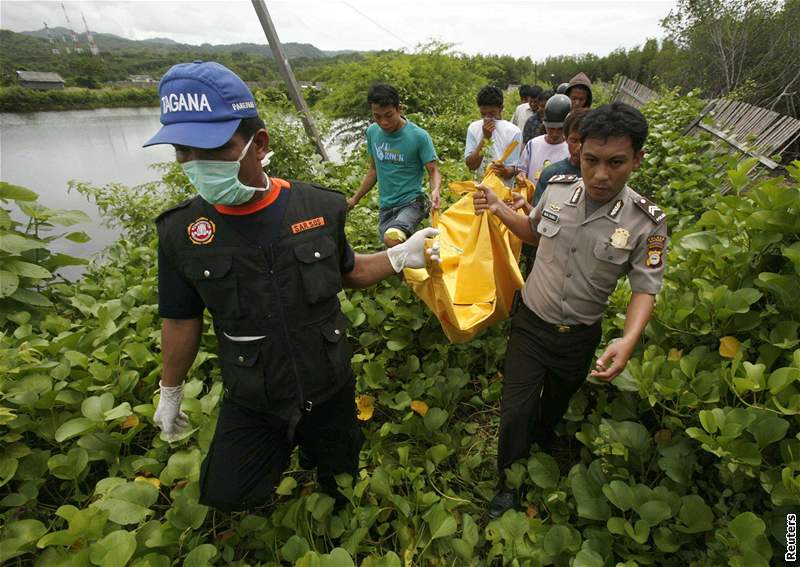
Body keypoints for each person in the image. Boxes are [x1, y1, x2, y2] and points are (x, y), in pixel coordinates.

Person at [146, 61, 439, 513]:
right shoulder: (180, 231)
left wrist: (401, 256)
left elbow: (349, 272)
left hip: (328, 381)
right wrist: (170, 390)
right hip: (254, 392)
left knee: (340, 482)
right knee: (227, 494)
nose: (196, 164)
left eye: (214, 149)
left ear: (257, 144)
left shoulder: (318, 207)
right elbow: (181, 318)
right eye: (184, 150)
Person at [473, 102, 668, 518]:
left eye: (616, 162)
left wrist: (628, 338)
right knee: (515, 410)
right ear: (579, 153)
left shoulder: (648, 224)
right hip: (530, 323)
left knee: (554, 406)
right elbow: (532, 232)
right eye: (591, 160)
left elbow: (644, 287)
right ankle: (508, 481)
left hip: (578, 337)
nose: (600, 174)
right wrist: (498, 207)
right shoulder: (559, 190)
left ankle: (543, 442)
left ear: (637, 158)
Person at [347, 83, 441, 248]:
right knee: (396, 257)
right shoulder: (372, 132)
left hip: (412, 203)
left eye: (388, 115)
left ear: (400, 109)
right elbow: (374, 170)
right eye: (377, 116)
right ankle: (423, 256)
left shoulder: (419, 136)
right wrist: (355, 199)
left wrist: (435, 190)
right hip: (386, 206)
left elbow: (433, 171)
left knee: (393, 239)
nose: (383, 122)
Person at [464, 85, 522, 187]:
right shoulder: (473, 128)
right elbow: (472, 165)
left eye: (491, 113)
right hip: (480, 190)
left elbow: (513, 169)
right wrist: (485, 138)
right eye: (483, 114)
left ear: (501, 109)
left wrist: (503, 171)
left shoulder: (514, 131)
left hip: (503, 192)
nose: (487, 118)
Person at [515, 94, 571, 185]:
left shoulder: (571, 148)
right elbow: (521, 169)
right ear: (544, 125)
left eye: (560, 129)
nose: (555, 134)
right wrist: (521, 175)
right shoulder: (532, 145)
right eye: (551, 129)